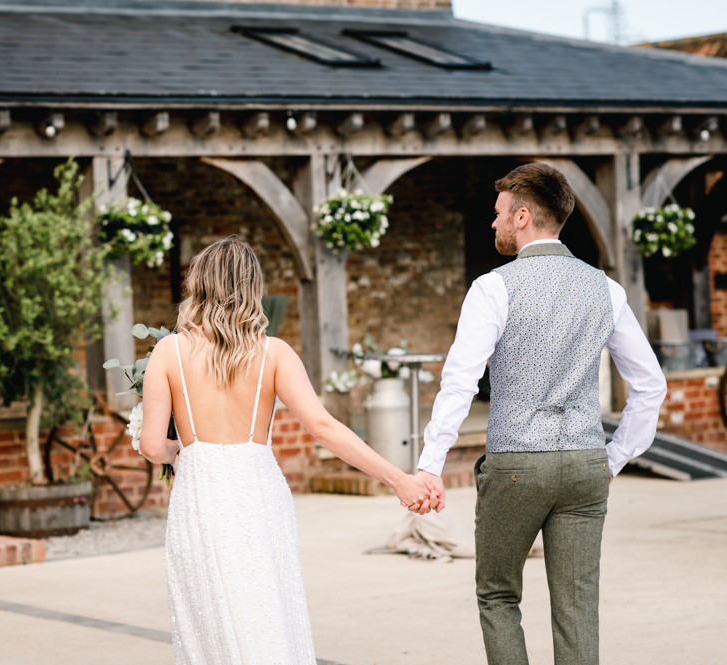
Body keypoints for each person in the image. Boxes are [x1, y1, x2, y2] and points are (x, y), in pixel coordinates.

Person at [139, 236, 440, 664]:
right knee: (265, 612)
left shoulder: (168, 352)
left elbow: (152, 446)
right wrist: (398, 479)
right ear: (251, 287)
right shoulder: (274, 353)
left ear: (200, 284)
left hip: (200, 499)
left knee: (210, 621)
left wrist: (179, 451)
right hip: (258, 496)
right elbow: (323, 427)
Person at [416, 163, 666, 665]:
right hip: (585, 463)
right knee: (578, 610)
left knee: (498, 594)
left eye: (499, 213)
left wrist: (430, 463)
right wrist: (613, 458)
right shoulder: (606, 289)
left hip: (517, 464)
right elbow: (650, 385)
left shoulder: (493, 288)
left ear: (523, 216)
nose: (493, 222)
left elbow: (461, 382)